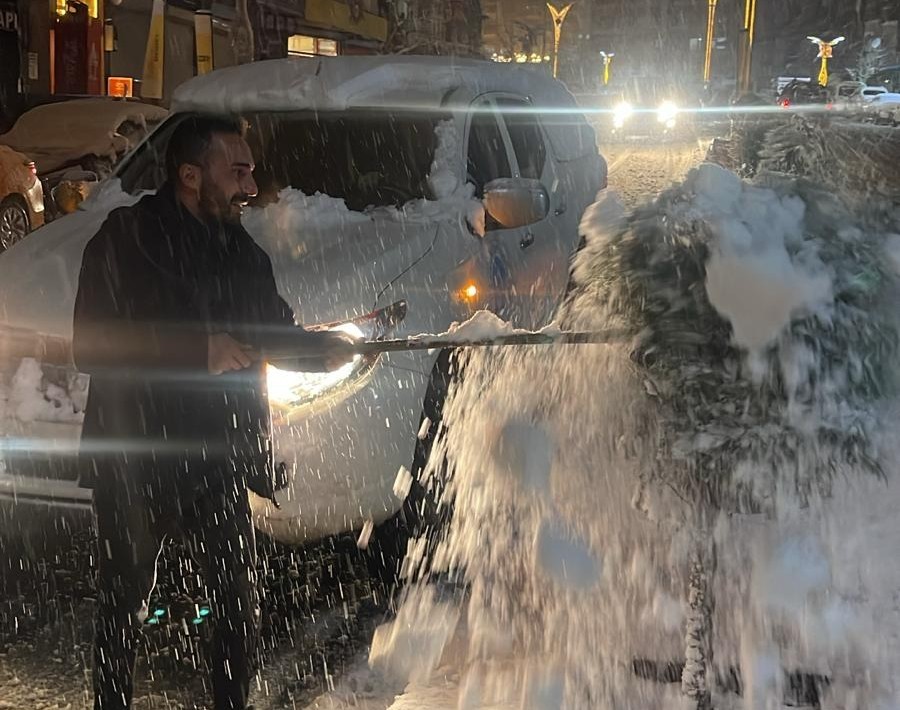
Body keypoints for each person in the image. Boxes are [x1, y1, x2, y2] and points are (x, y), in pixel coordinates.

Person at [72, 113, 355, 710]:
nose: (251, 187)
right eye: (239, 171)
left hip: (218, 455)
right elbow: (91, 345)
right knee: (123, 602)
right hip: (135, 451)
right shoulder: (127, 239)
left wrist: (321, 351)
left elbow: (271, 333)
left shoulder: (243, 255)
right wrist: (198, 351)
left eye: (251, 171)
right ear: (190, 175)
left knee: (234, 602)